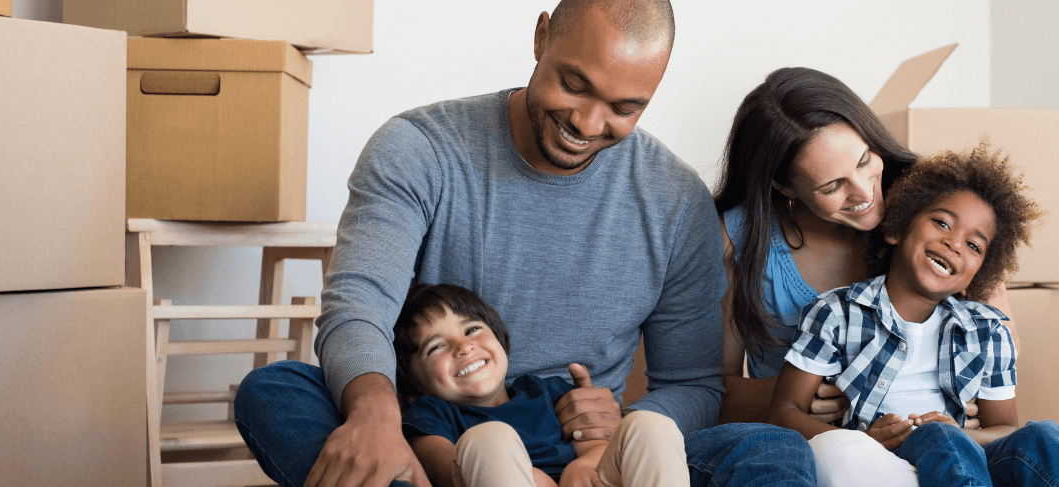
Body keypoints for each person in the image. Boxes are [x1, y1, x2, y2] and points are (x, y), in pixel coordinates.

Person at [233, 2, 815, 487]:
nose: (588, 124)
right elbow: (359, 304)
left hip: (585, 462)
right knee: (276, 392)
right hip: (441, 442)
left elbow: (691, 385)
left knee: (770, 450)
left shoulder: (676, 201)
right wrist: (375, 416)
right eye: (574, 84)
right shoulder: (419, 149)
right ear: (541, 38)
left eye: (623, 108)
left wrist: (621, 424)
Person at [713, 68, 1059, 486]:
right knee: (846, 452)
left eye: (866, 160)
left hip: (955, 440)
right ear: (785, 187)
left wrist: (970, 417)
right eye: (832, 187)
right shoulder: (748, 246)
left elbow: (1000, 356)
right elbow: (716, 390)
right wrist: (826, 393)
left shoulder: (934, 207)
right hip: (850, 449)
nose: (865, 192)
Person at [770, 147, 1059, 487]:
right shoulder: (836, 313)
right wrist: (867, 441)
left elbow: (1007, 429)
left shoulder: (988, 330)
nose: (954, 244)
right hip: (880, 461)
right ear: (897, 229)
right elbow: (784, 412)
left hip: (967, 457)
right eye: (942, 222)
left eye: (974, 246)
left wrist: (961, 433)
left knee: (1043, 433)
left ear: (974, 279)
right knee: (936, 436)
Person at [392, 283, 686, 487]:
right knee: (488, 438)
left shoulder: (543, 390)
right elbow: (442, 467)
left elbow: (594, 443)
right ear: (414, 383)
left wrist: (582, 466)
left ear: (499, 339)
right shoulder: (430, 413)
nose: (464, 347)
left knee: (649, 425)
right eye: (436, 347)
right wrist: (521, 475)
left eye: (472, 330)